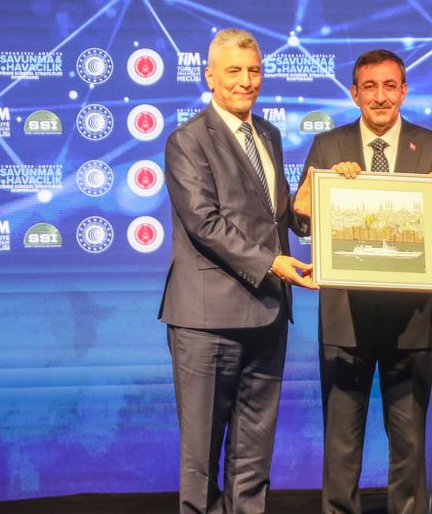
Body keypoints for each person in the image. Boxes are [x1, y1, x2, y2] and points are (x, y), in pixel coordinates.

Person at [291, 49, 432, 514]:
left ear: (404, 91)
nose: (380, 96)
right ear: (355, 94)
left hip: (411, 320)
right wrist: (308, 202)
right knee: (341, 444)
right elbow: (302, 217)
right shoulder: (328, 146)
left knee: (409, 446)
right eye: (370, 86)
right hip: (345, 318)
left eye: (390, 86)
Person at [160, 28, 317, 514]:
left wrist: (309, 210)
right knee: (201, 460)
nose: (246, 81)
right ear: (210, 76)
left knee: (253, 456)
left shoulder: (267, 134)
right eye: (234, 71)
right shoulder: (187, 140)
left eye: (254, 71)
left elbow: (272, 215)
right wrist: (271, 263)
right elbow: (205, 223)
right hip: (207, 322)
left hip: (268, 315)